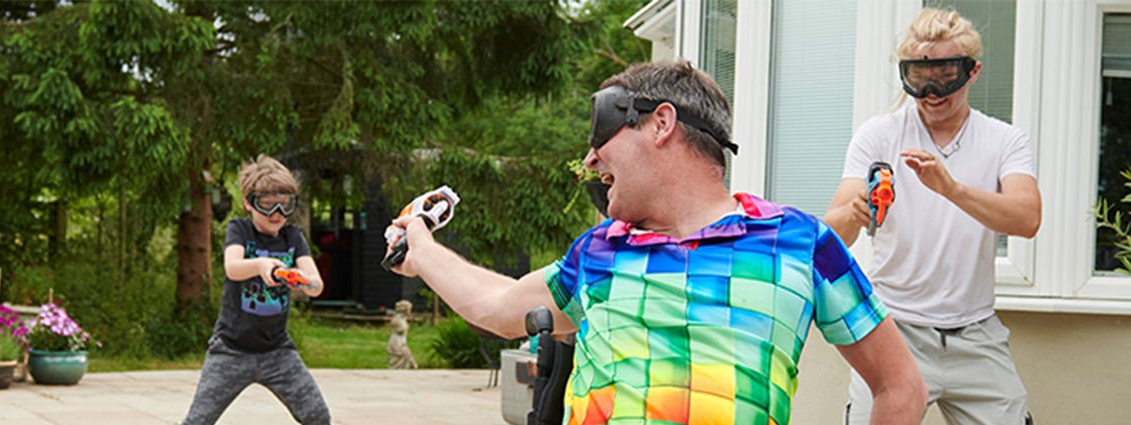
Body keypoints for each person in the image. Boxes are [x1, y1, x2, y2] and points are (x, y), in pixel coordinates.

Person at [388, 61, 926, 425]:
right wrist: (421, 247)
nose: (591, 159)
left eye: (601, 135)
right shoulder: (599, 251)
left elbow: (900, 387)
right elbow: (500, 307)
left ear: (661, 123)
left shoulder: (801, 245)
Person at [823, 8, 1041, 425]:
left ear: (972, 72)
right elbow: (831, 236)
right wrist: (854, 213)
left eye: (945, 76)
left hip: (976, 331)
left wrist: (952, 190)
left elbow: (1027, 218)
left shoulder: (1004, 139)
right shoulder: (879, 134)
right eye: (919, 79)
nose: (932, 92)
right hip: (894, 330)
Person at [182, 154, 329, 425]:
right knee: (197, 421)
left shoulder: (293, 237)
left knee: (318, 417)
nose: (277, 215)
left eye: (285, 205)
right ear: (249, 204)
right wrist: (262, 265)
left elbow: (316, 285)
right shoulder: (239, 230)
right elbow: (233, 267)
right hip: (230, 351)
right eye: (268, 205)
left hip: (278, 351)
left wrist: (301, 278)